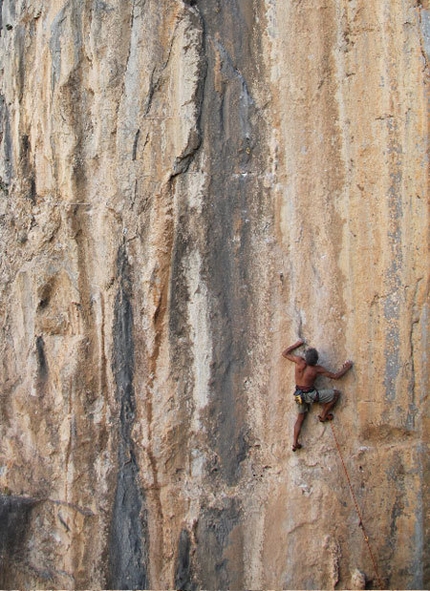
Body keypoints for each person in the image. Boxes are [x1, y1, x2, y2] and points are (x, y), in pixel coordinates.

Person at [282, 339, 353, 452]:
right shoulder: (316, 369)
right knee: (335, 394)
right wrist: (347, 367)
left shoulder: (299, 361)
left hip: (298, 395)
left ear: (305, 357)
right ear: (316, 361)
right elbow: (336, 376)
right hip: (310, 395)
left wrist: (296, 344)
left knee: (300, 418)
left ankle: (295, 442)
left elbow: (284, 353)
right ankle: (323, 415)